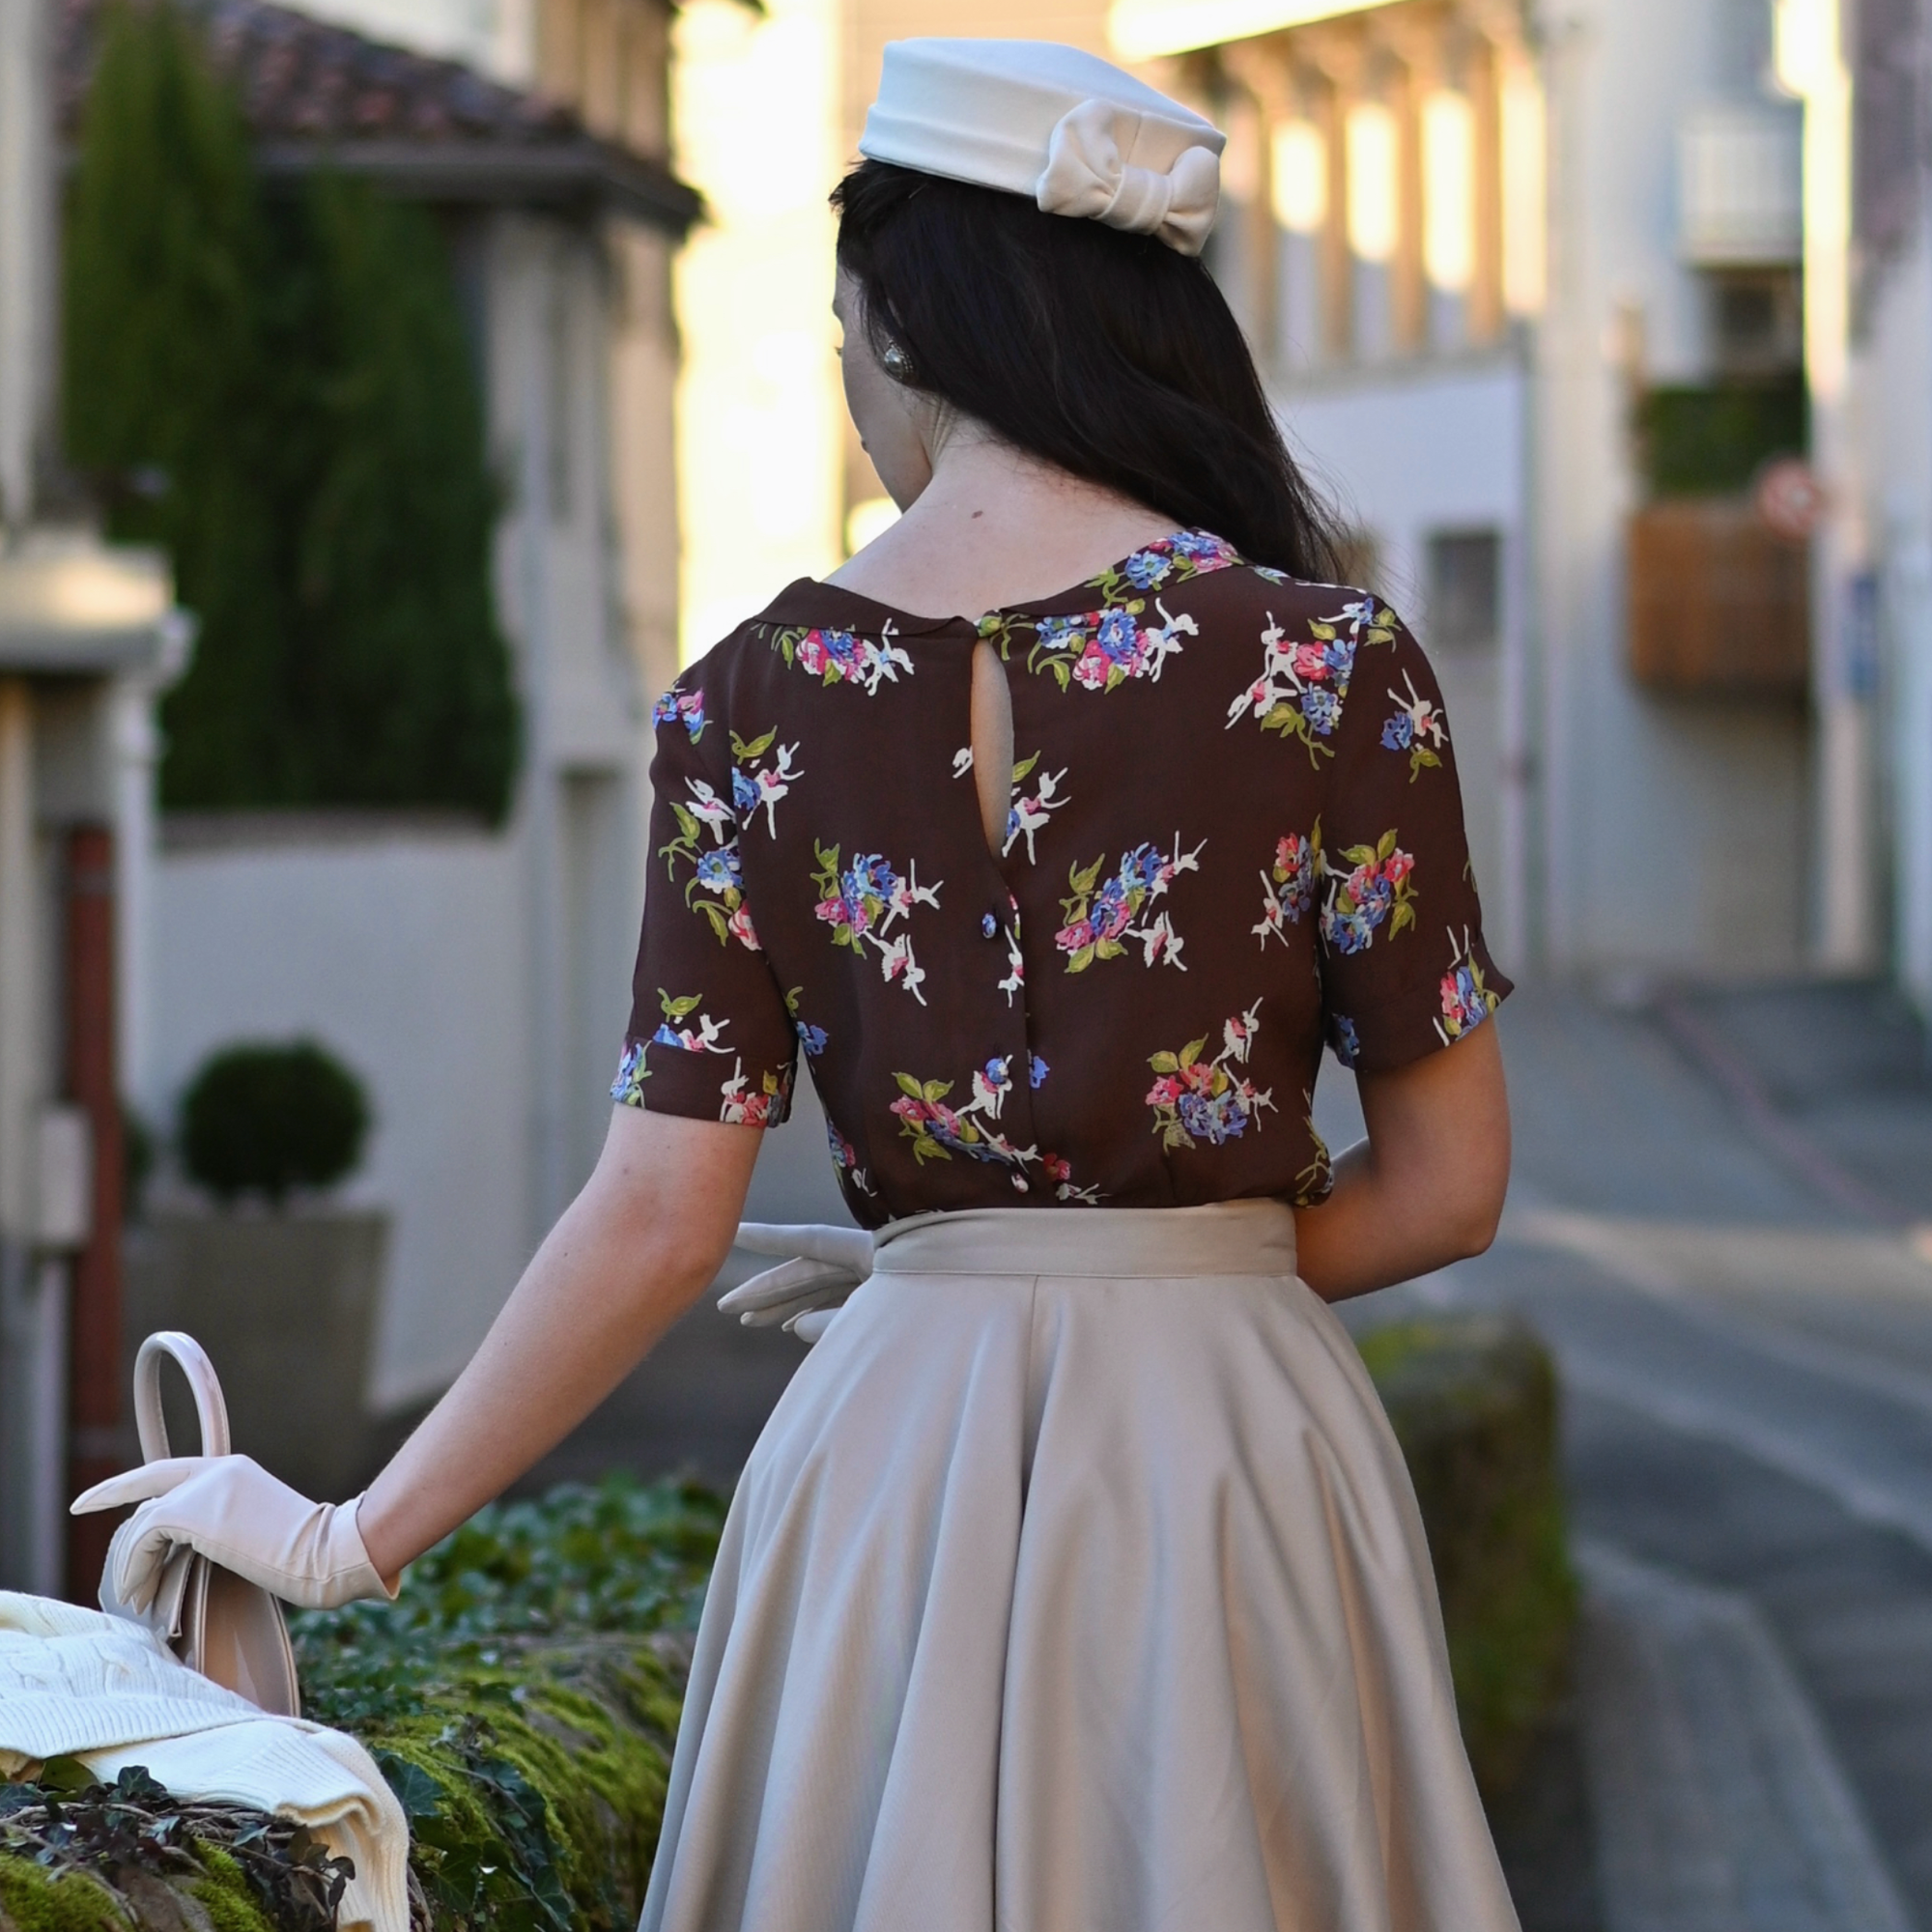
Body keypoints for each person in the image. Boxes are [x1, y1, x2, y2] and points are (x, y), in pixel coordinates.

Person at [79, 38, 1519, 1932]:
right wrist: (1146, 1259)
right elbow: (1446, 1182)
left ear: (908, 326)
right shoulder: (1333, 666)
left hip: (892, 1443)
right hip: (1234, 1448)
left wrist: (347, 1536)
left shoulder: (746, 697)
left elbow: (657, 1214)